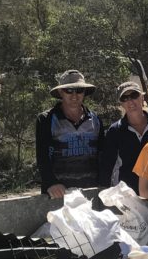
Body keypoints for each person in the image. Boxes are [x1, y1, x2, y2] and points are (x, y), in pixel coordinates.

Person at [35, 69, 102, 199]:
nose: (74, 95)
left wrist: (102, 184)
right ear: (61, 92)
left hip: (90, 192)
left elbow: (102, 154)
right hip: (58, 193)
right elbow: (42, 156)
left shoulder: (95, 120)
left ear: (85, 93)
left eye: (79, 90)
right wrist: (51, 183)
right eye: (69, 90)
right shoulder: (46, 119)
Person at [99, 80, 148, 192]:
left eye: (134, 95)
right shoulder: (115, 131)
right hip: (128, 196)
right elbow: (107, 167)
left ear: (142, 97)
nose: (130, 102)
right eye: (125, 98)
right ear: (121, 103)